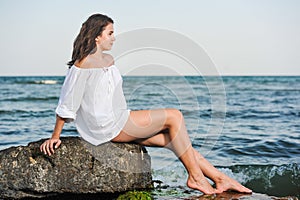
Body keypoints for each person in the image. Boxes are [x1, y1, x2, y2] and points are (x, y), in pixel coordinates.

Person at [40, 13, 252, 195]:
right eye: (110, 33)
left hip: (119, 117)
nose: (114, 38)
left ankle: (220, 178)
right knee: (174, 115)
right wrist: (55, 136)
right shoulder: (83, 63)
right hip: (105, 125)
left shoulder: (109, 60)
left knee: (174, 140)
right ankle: (196, 178)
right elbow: (67, 102)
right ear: (97, 37)